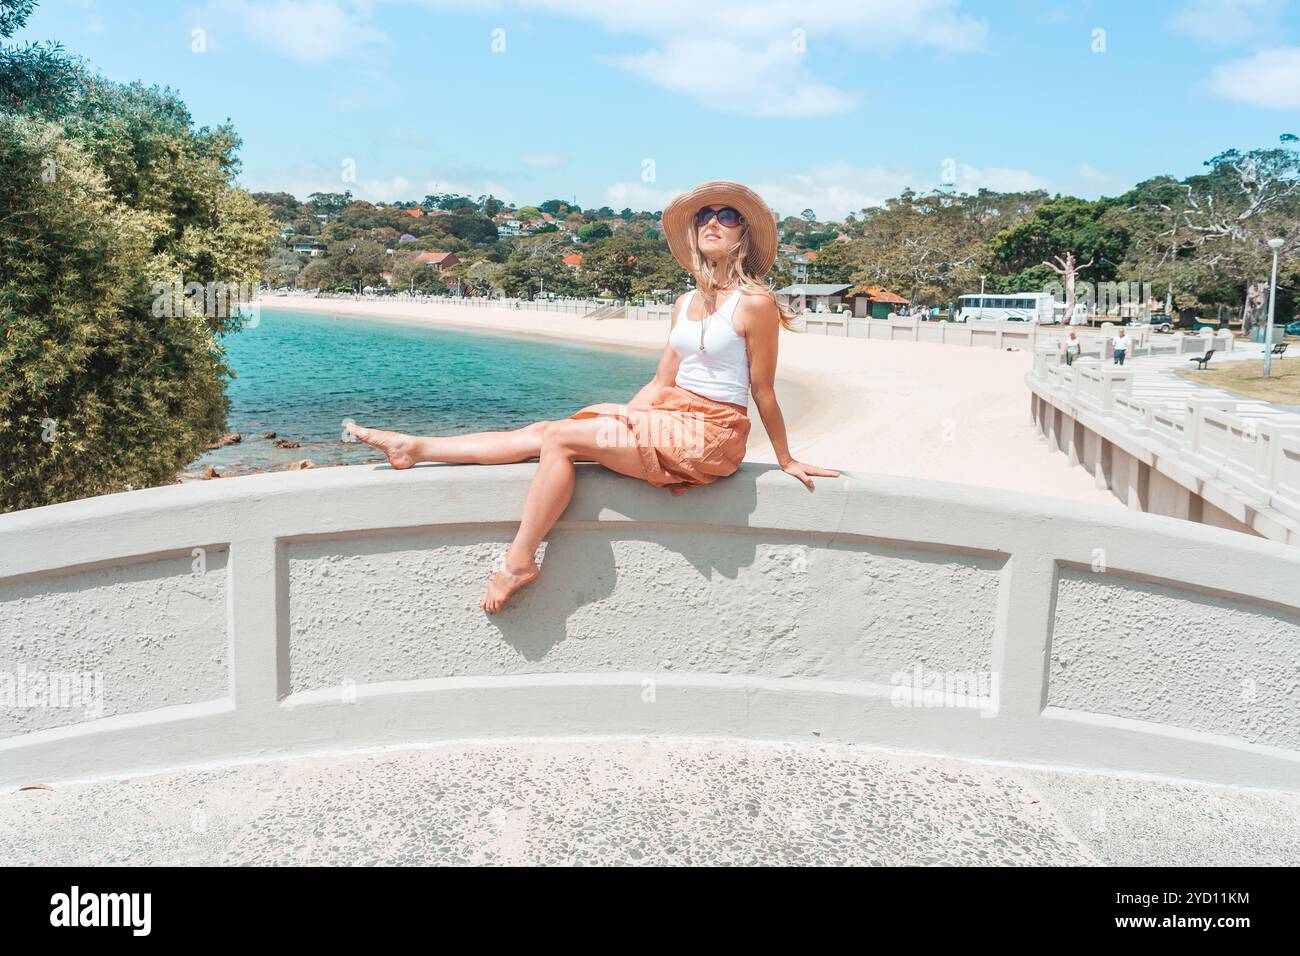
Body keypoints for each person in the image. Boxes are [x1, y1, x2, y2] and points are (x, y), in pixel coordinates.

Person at [347, 180, 840, 612]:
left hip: (712, 434)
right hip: (670, 414)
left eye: (726, 216)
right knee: (546, 432)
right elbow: (662, 378)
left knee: (561, 439)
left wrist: (786, 457)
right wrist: (627, 419)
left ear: (743, 234)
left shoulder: (755, 303)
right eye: (704, 216)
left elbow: (763, 390)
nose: (713, 222)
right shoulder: (685, 301)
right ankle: (416, 448)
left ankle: (519, 561)